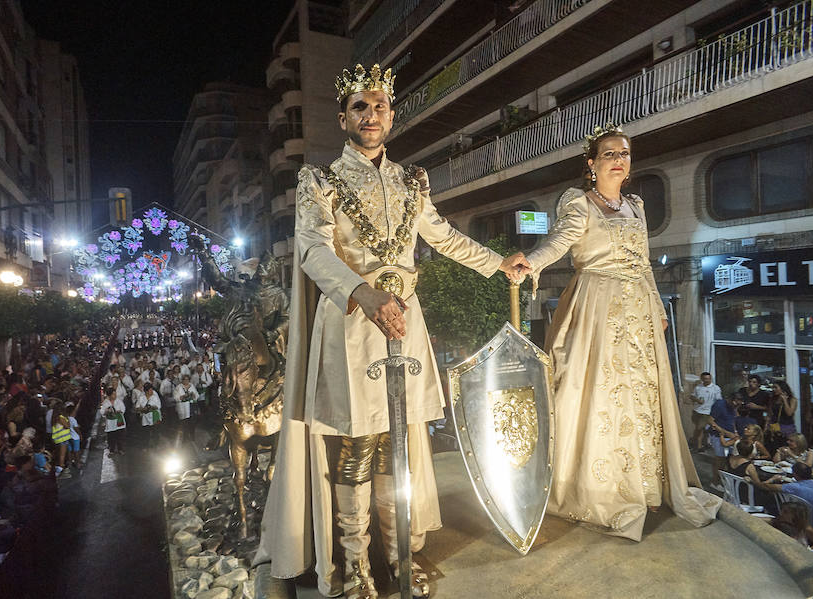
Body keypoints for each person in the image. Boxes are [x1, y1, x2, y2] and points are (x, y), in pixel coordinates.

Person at [255, 63, 528, 599]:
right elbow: (311, 249)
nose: (371, 114)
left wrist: (499, 264)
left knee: (396, 443)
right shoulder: (320, 181)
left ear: (392, 114)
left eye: (379, 105)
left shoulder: (412, 181)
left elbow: (444, 237)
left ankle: (397, 554)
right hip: (353, 323)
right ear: (343, 118)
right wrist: (362, 292)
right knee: (358, 442)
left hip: (406, 322)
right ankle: (354, 567)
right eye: (360, 106)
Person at [520, 123, 719, 541]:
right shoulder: (579, 204)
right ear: (591, 165)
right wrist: (532, 262)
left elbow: (643, 262)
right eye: (609, 153)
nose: (618, 159)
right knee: (598, 391)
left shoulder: (636, 205)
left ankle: (644, 484)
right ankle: (604, 487)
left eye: (624, 153)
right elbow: (559, 242)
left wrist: (656, 303)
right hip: (596, 305)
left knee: (640, 394)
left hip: (638, 312)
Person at [690, 372, 721, 451]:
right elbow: (692, 396)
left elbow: (719, 400)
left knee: (699, 428)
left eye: (708, 379)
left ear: (711, 379)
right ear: (702, 379)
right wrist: (697, 400)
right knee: (701, 429)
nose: (706, 380)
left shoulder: (715, 388)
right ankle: (701, 445)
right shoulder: (698, 387)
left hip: (708, 412)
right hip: (697, 411)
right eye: (704, 379)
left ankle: (696, 444)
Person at [100, 387, 126, 457]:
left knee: (119, 437)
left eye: (115, 394)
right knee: (111, 437)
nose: (115, 395)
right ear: (109, 395)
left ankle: (120, 449)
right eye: (113, 394)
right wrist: (106, 411)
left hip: (119, 422)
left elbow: (123, 409)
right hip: (110, 424)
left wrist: (119, 411)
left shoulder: (119, 401)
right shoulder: (106, 402)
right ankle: (112, 450)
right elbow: (102, 412)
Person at [135, 382, 161, 449]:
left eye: (152, 389)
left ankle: (156, 445)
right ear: (146, 391)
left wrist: (150, 408)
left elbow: (158, 406)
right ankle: (145, 446)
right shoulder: (141, 397)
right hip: (145, 418)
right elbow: (137, 407)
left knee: (155, 432)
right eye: (150, 390)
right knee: (145, 432)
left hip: (154, 416)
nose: (152, 391)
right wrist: (142, 409)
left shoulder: (155, 397)